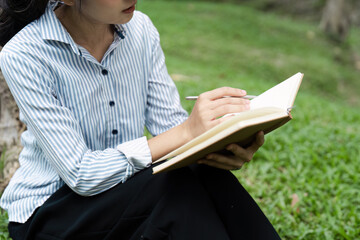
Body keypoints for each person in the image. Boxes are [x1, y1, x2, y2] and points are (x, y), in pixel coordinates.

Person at [0, 0, 281, 239]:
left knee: (202, 176)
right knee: (173, 188)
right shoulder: (24, 54)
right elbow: (81, 174)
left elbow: (170, 126)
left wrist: (222, 142)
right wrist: (187, 132)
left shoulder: (141, 30)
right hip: (52, 211)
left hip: (128, 193)